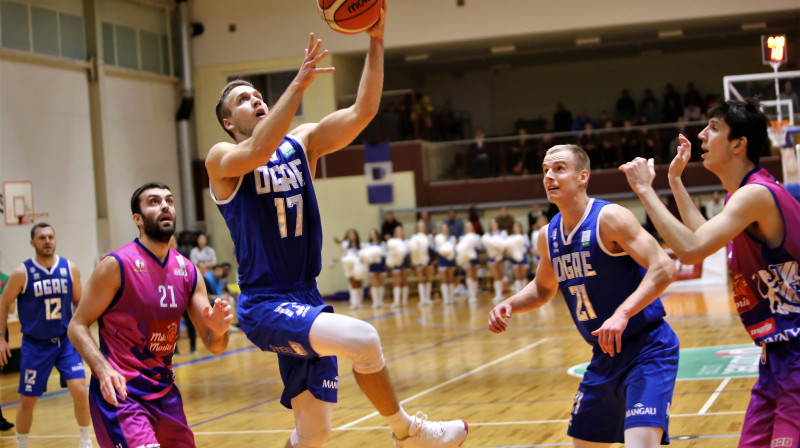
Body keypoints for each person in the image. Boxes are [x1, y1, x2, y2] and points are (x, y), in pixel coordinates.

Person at [205, 5, 468, 447]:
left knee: (313, 433)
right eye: (242, 100)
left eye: (256, 94)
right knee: (364, 339)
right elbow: (259, 151)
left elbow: (363, 111)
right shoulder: (221, 159)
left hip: (305, 294)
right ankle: (409, 431)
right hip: (265, 302)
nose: (255, 99)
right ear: (230, 123)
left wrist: (376, 40)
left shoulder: (302, 142)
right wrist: (298, 85)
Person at [620, 98, 800, 447]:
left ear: (739, 143)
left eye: (713, 128)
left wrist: (644, 189)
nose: (702, 135)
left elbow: (690, 249)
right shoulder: (745, 196)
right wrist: (674, 180)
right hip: (775, 357)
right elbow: (706, 240)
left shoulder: (756, 194)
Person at [490, 144, 678, 447]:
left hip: (647, 348)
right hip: (604, 356)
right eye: (545, 170)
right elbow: (543, 288)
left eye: (559, 168)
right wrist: (509, 304)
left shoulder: (610, 218)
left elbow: (664, 267)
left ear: (582, 177)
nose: (549, 176)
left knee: (640, 443)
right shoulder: (547, 235)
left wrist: (622, 313)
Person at [67, 183, 232, 448]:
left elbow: (214, 345)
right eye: (154, 202)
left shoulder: (188, 271)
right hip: (122, 394)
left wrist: (220, 330)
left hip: (165, 393)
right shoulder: (115, 265)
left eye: (169, 200)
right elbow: (76, 326)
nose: (165, 205)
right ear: (138, 219)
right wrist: (102, 368)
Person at [0, 223, 92, 448]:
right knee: (29, 399)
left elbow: (79, 302)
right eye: (42, 238)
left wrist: (85, 333)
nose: (47, 241)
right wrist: (1, 339)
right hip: (35, 344)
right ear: (33, 243)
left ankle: (85, 439)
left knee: (80, 389)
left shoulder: (70, 268)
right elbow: (4, 302)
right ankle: (21, 443)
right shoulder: (22, 273)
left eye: (51, 236)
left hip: (65, 342)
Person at [170, 235, 197, 353]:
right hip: (172, 293)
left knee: (189, 320)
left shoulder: (182, 253)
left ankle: (193, 347)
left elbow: (188, 270)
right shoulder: (164, 254)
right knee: (172, 323)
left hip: (184, 292)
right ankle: (174, 350)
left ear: (174, 240)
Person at [481, 218, 508, 304]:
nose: (493, 225)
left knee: (500, 275)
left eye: (495, 223)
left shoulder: (503, 233)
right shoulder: (486, 236)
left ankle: (501, 294)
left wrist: (500, 253)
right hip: (492, 258)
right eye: (491, 223)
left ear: (497, 224)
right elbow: (487, 247)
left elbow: (504, 245)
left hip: (501, 257)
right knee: (495, 276)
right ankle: (498, 294)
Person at [456, 222, 482, 305]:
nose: (469, 228)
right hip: (466, 259)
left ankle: (474, 294)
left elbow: (479, 248)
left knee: (474, 276)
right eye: (467, 227)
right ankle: (471, 295)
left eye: (470, 226)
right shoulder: (462, 238)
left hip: (474, 258)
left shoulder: (476, 237)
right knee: (469, 274)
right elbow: (460, 249)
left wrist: (473, 249)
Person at [386, 226, 410, 308]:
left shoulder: (406, 241)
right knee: (396, 281)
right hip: (396, 263)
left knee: (404, 280)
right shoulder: (392, 242)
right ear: (395, 232)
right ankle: (396, 301)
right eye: (397, 231)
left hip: (404, 262)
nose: (399, 232)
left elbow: (407, 252)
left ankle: (404, 300)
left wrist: (402, 254)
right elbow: (390, 252)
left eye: (400, 231)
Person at [362, 229, 387, 308]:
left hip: (380, 265)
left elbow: (384, 254)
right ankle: (375, 302)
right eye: (371, 234)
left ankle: (380, 301)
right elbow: (366, 257)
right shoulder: (368, 245)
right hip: (372, 266)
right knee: (373, 283)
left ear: (377, 234)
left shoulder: (382, 244)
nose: (372, 235)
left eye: (374, 234)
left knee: (381, 283)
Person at [434, 223, 457, 305]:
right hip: (442, 260)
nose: (445, 230)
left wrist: (449, 253)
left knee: (451, 279)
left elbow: (453, 248)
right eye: (443, 228)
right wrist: (442, 252)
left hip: (450, 261)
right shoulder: (438, 238)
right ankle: (446, 298)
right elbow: (437, 249)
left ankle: (451, 297)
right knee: (443, 280)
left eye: (446, 228)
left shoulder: (452, 238)